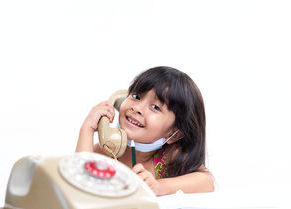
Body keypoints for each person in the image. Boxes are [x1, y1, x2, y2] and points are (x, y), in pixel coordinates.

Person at [76, 66, 214, 195]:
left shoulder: (169, 157)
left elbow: (207, 182)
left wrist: (158, 186)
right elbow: (77, 182)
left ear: (175, 134)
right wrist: (87, 129)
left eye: (155, 107)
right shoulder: (104, 151)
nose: (137, 108)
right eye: (136, 97)